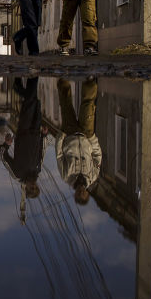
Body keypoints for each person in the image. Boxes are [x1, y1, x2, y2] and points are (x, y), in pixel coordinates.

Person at [0, 77, 47, 204]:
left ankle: (33, 72)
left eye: (31, 188)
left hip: (23, 130)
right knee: (35, 101)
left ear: (26, 187)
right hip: (36, 131)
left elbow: (2, 157)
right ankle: (19, 87)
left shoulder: (17, 174)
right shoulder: (37, 170)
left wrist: (6, 145)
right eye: (36, 187)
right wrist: (44, 136)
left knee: (30, 101)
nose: (33, 185)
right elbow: (42, 151)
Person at [54, 77, 101, 205]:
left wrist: (61, 135)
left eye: (78, 194)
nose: (81, 192)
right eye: (84, 194)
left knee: (66, 104)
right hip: (86, 135)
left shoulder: (66, 176)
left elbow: (59, 155)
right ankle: (90, 79)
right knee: (88, 105)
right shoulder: (93, 176)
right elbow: (97, 156)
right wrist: (92, 139)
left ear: (74, 194)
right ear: (87, 193)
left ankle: (63, 79)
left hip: (69, 133)